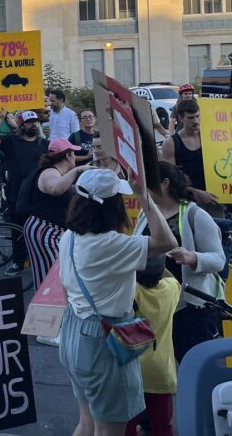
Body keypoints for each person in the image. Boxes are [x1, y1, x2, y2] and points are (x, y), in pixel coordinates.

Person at [58, 169, 178, 435]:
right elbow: (167, 241)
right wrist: (144, 197)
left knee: (87, 424)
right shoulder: (112, 244)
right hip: (103, 339)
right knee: (109, 429)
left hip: (73, 329)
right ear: (112, 207)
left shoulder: (69, 237)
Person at [135, 162, 226, 362]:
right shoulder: (146, 213)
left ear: (165, 183)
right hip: (153, 305)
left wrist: (192, 257)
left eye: (147, 182)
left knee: (194, 364)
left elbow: (219, 260)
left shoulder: (195, 215)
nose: (141, 188)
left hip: (188, 307)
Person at [26, 139, 90, 346]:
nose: (76, 157)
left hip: (53, 231)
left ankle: (52, 326)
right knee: (49, 279)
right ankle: (45, 330)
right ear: (67, 155)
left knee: (56, 278)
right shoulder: (50, 173)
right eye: (73, 154)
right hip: (44, 230)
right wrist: (78, 171)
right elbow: (55, 189)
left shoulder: (59, 173)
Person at [0, 110, 48, 276]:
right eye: (29, 122)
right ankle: (19, 263)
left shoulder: (45, 144)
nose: (33, 124)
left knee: (41, 230)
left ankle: (40, 261)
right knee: (18, 230)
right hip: (16, 193)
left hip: (39, 194)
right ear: (22, 125)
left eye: (35, 122)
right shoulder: (12, 141)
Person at [124, 257, 180, 436]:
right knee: (163, 426)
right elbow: (172, 278)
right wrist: (159, 256)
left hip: (132, 372)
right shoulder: (170, 290)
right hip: (161, 374)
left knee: (127, 426)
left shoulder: (131, 291)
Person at [160, 99, 222, 217]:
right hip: (187, 202)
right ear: (181, 118)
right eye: (191, 118)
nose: (196, 121)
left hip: (214, 197)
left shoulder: (210, 136)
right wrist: (197, 193)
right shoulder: (171, 143)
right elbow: (171, 181)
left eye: (197, 116)